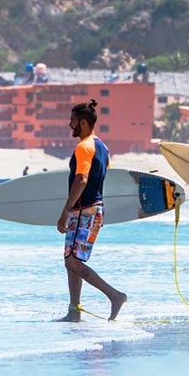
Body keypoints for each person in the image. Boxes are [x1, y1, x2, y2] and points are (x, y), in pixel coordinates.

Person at [57, 100, 127, 322]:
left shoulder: (84, 147)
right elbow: (104, 176)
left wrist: (66, 210)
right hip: (92, 210)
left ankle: (115, 296)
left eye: (73, 121)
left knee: (72, 262)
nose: (70, 125)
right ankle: (74, 310)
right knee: (71, 259)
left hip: (83, 210)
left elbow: (82, 178)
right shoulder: (103, 148)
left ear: (84, 122)